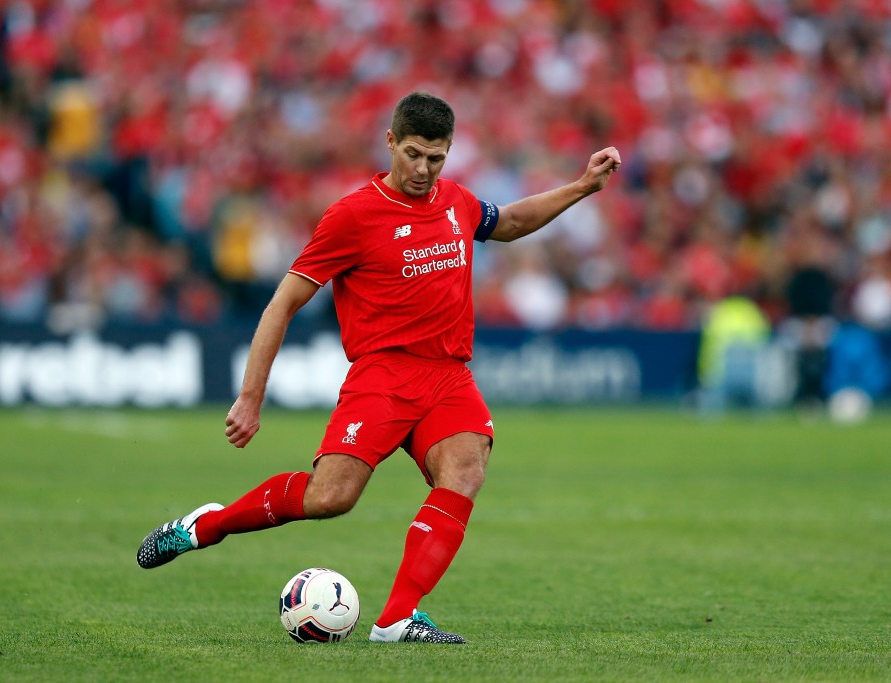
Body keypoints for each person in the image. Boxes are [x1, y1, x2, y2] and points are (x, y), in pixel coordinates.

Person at [137, 92, 621, 643]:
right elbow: (283, 303)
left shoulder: (456, 201)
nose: (422, 169)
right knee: (331, 497)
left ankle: (396, 618)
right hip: (383, 376)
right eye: (413, 154)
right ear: (390, 142)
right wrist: (251, 396)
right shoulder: (352, 216)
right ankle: (206, 525)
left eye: (435, 158)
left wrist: (582, 186)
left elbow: (507, 222)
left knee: (465, 470)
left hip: (448, 375)